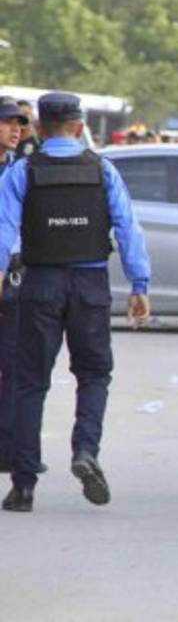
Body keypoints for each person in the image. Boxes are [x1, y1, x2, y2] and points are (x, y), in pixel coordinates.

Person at [0, 92, 151, 513]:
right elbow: (128, 227)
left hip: (41, 282)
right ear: (80, 127)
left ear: (40, 128)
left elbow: (3, 230)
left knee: (30, 382)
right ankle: (86, 451)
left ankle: (24, 485)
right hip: (90, 284)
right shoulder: (103, 169)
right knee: (94, 375)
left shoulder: (21, 172)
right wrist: (140, 284)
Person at [0, 97, 32, 473]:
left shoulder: (20, 172)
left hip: (14, 275)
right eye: (8, 122)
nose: (16, 130)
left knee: (12, 363)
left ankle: (7, 448)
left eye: (19, 123)